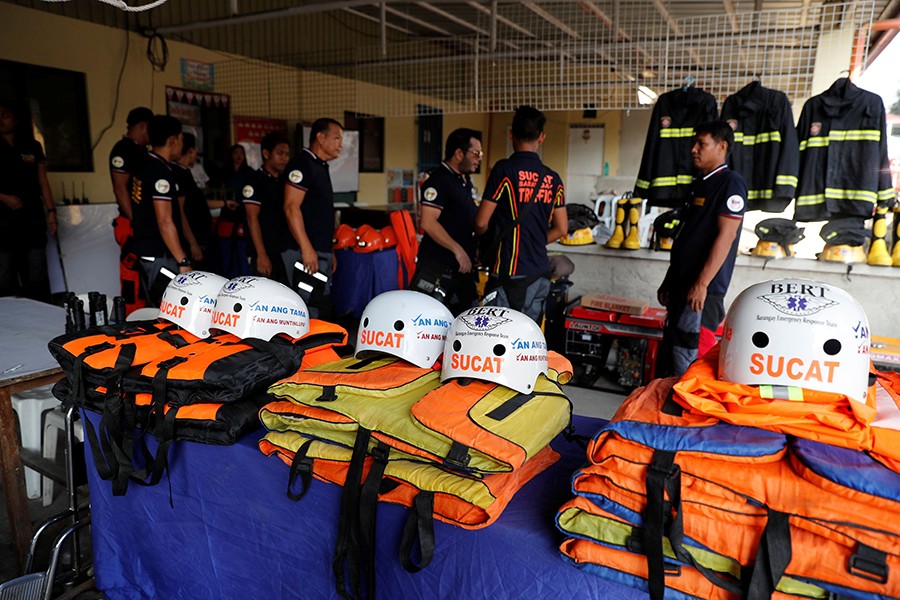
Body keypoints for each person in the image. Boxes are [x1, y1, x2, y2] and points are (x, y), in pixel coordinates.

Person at [656, 120, 747, 378]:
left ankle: (691, 415)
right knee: (673, 355)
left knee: (690, 357)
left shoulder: (730, 183)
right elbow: (687, 237)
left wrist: (702, 284)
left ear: (722, 147)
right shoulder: (699, 183)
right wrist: (669, 280)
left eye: (701, 144)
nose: (694, 149)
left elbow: (726, 236)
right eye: (694, 143)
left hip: (702, 293)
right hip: (681, 287)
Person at [474, 105, 567, 323]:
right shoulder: (553, 179)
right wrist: (533, 240)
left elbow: (480, 222)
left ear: (511, 133)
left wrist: (487, 240)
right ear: (541, 137)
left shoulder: (504, 170)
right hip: (540, 275)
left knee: (499, 339)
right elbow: (562, 229)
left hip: (509, 274)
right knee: (527, 340)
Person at [410, 128, 482, 316]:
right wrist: (458, 250)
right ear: (459, 153)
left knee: (467, 318)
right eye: (475, 153)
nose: (479, 158)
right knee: (429, 320)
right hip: (437, 266)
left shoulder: (464, 180)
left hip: (462, 269)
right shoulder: (439, 180)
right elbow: (428, 222)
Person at [281, 118, 343, 318]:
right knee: (306, 302)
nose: (340, 144)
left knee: (319, 299)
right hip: (302, 250)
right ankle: (302, 348)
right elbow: (291, 207)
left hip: (319, 249)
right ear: (320, 137)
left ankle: (319, 346)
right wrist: (306, 248)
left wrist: (328, 249)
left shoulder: (320, 166)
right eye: (336, 138)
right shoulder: (302, 164)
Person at [131, 115, 191, 306]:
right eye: (181, 139)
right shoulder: (159, 173)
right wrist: (182, 260)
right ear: (172, 141)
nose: (181, 144)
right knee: (166, 308)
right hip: (159, 254)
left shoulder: (144, 164)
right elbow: (164, 221)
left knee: (156, 305)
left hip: (147, 249)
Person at [0, 100, 56, 302]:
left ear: (15, 119)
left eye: (5, 115)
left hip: (32, 217)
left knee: (36, 270)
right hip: (3, 221)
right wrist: (4, 198)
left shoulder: (32, 145)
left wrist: (51, 212)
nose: (1, 119)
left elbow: (43, 181)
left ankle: (41, 313)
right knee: (4, 272)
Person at [109, 106, 153, 311]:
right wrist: (135, 220)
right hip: (130, 223)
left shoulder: (143, 151)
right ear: (143, 127)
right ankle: (130, 317)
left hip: (144, 222)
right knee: (131, 272)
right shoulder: (122, 149)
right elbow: (120, 188)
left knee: (146, 274)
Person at [243, 131, 291, 284]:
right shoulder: (254, 181)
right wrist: (261, 254)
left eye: (287, 154)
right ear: (266, 153)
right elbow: (252, 218)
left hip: (283, 249)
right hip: (263, 249)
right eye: (280, 153)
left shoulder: (286, 181)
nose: (284, 158)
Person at [213, 143, 254, 278]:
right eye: (236, 153)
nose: (239, 156)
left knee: (242, 256)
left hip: (243, 215)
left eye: (241, 153)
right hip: (227, 216)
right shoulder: (223, 172)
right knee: (226, 255)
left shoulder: (249, 173)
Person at [171, 132, 211, 268]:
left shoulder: (184, 172)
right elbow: (180, 211)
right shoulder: (179, 173)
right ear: (191, 151)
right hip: (192, 240)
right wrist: (193, 243)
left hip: (198, 236)